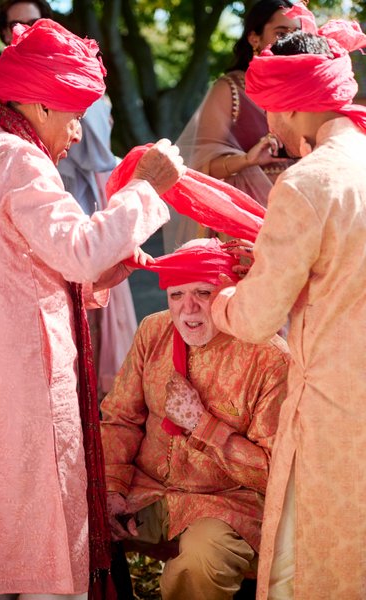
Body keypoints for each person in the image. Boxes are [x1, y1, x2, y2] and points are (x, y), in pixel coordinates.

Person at [0, 18, 185, 600]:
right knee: (40, 556)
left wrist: (107, 269)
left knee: (2, 545)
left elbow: (27, 269)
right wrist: (149, 188)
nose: (75, 133)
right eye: (72, 116)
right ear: (39, 104)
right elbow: (78, 252)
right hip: (22, 386)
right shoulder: (16, 158)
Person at [210, 6, 366, 599]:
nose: (268, 120)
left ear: (297, 102)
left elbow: (253, 319)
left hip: (332, 410)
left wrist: (225, 297)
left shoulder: (306, 181)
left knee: (303, 570)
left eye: (270, 103)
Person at [100, 237, 290, 600]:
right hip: (149, 488)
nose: (188, 310)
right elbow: (120, 418)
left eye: (203, 293)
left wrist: (203, 425)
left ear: (230, 293)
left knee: (201, 562)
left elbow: (274, 474)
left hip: (226, 503)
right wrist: (112, 487)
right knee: (78, 519)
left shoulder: (269, 358)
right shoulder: (153, 331)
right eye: (176, 295)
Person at [163, 0, 299, 253]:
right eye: (280, 33)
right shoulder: (230, 89)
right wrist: (247, 160)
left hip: (302, 212)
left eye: (296, 33)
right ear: (254, 38)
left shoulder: (305, 90)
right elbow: (201, 165)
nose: (289, 42)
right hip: (248, 222)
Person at [58, 96, 138, 398]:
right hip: (74, 192)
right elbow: (97, 153)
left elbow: (98, 152)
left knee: (91, 301)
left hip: (87, 187)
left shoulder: (82, 84)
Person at [0, 0, 53, 108]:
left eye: (35, 23)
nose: (27, 30)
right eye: (16, 25)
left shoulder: (69, 68)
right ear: (5, 33)